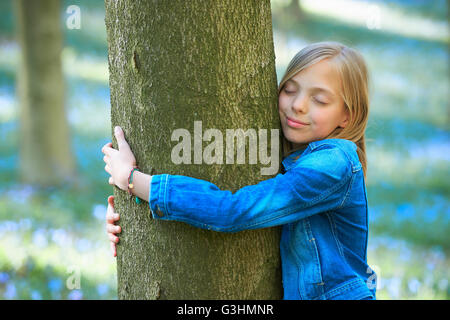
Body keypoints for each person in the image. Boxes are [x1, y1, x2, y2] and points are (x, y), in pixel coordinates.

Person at [101, 41, 377, 300]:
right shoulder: (292, 151)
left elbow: (234, 211)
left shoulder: (331, 167)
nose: (298, 105)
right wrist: (130, 212)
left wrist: (134, 181)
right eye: (290, 89)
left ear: (347, 116)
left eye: (320, 100)